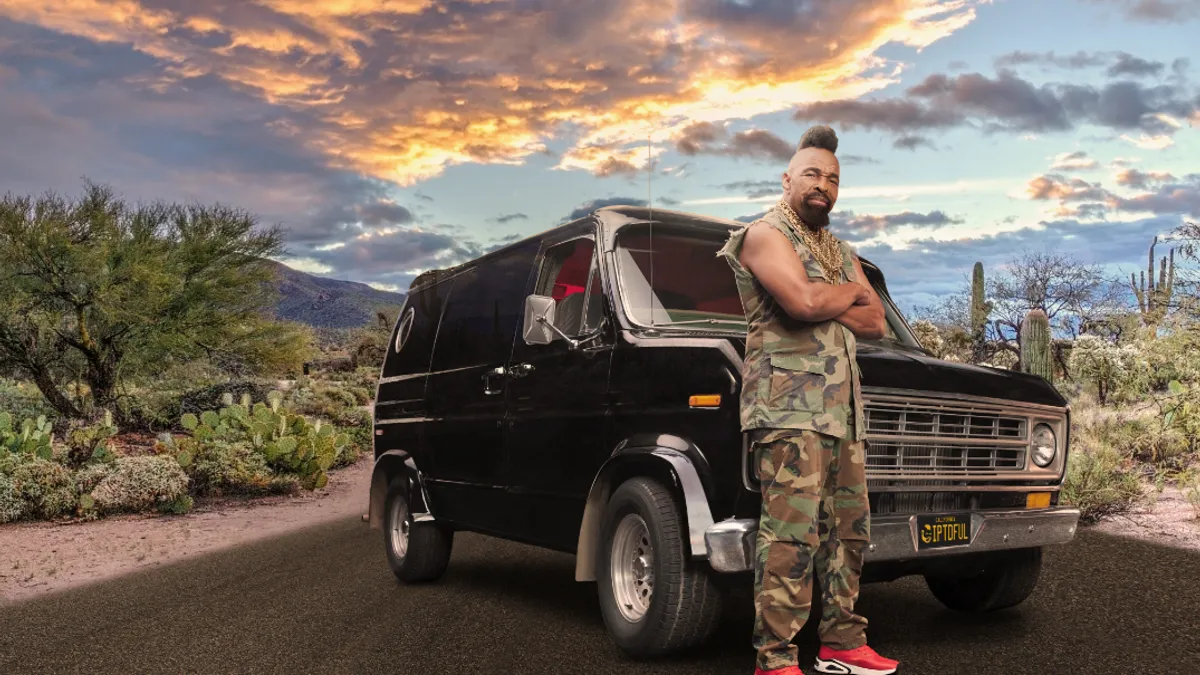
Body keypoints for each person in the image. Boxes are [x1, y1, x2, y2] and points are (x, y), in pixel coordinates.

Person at [717, 125, 900, 675]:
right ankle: (774, 659)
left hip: (843, 413)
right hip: (789, 409)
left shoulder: (839, 248)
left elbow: (876, 321)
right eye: (814, 174)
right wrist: (842, 292)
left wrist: (829, 297)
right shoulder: (763, 235)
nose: (824, 185)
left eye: (834, 179)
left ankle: (842, 643)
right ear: (789, 178)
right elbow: (799, 302)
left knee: (849, 532)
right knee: (791, 538)